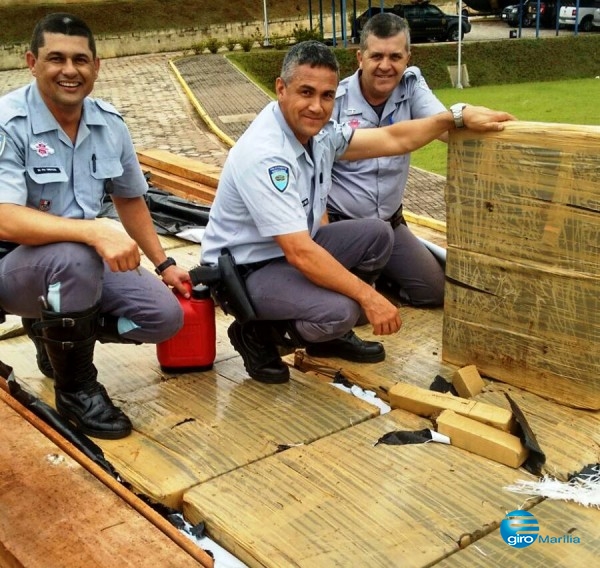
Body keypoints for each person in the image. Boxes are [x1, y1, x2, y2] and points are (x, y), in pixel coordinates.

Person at [200, 40, 514, 385]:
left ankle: (327, 338)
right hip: (246, 272)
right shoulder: (266, 154)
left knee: (379, 234)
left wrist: (454, 116)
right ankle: (257, 335)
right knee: (343, 310)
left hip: (289, 252)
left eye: (327, 96)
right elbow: (300, 253)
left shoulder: (317, 134)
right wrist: (369, 297)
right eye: (306, 92)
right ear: (281, 88)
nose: (317, 107)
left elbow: (393, 139)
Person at [0, 13, 191, 439]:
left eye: (81, 60)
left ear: (96, 67)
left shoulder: (109, 124)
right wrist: (93, 231)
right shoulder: (8, 122)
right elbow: (4, 218)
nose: (70, 70)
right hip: (12, 267)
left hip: (78, 263)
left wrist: (164, 264)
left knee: (163, 317)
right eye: (56, 59)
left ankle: (53, 332)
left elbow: (129, 198)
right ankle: (76, 388)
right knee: (74, 257)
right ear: (31, 62)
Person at [330, 13, 450, 307]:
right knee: (349, 309)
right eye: (376, 56)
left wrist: (471, 117)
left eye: (396, 56)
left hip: (390, 225)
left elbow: (444, 124)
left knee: (434, 292)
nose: (386, 66)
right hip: (343, 226)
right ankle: (368, 281)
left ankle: (380, 276)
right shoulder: (334, 102)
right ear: (360, 57)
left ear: (408, 57)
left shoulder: (411, 86)